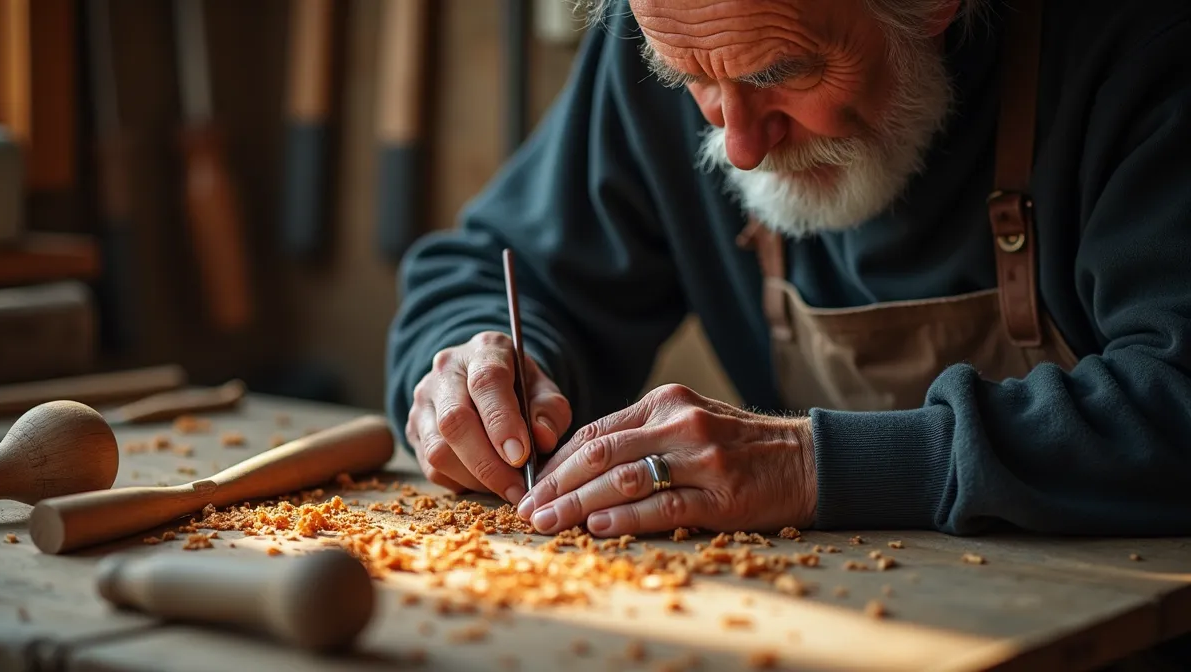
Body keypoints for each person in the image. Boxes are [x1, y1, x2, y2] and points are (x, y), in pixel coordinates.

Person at [383, 0, 1191, 541]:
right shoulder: (688, 25)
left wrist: (818, 465)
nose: (739, 144)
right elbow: (496, 275)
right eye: (690, 80)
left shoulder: (1145, 53)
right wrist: (473, 364)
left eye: (779, 76)